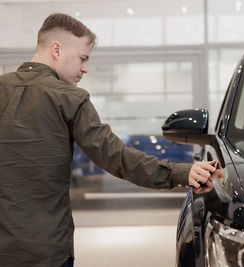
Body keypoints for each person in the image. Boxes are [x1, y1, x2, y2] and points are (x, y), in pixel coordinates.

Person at [0, 13, 216, 267]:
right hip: (47, 251)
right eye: (82, 58)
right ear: (56, 49)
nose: (85, 68)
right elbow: (117, 157)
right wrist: (182, 173)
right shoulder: (70, 98)